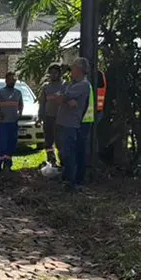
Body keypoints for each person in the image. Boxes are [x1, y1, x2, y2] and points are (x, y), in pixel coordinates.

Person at [56, 57, 93, 189]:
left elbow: (62, 96)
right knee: (63, 151)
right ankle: (68, 178)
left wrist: (64, 98)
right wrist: (67, 100)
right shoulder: (70, 84)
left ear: (79, 69)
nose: (71, 69)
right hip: (64, 122)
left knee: (69, 152)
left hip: (73, 123)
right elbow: (59, 96)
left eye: (73, 67)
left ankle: (72, 181)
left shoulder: (83, 85)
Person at [0, 72, 23, 173]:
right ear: (6, 80)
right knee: (1, 144)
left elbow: (21, 104)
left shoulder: (18, 93)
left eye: (14, 79)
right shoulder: (0, 92)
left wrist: (20, 113)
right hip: (3, 123)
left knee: (11, 143)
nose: (12, 81)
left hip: (13, 122)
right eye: (10, 79)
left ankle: (7, 165)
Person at [40, 65, 65, 167]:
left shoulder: (65, 86)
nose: (53, 75)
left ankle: (63, 161)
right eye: (51, 73)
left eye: (55, 73)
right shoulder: (46, 87)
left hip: (61, 118)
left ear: (60, 74)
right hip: (48, 117)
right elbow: (42, 103)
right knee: (48, 141)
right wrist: (40, 116)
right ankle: (51, 160)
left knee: (61, 141)